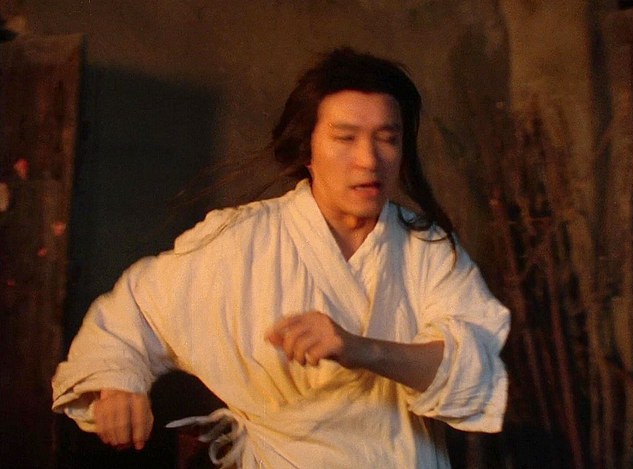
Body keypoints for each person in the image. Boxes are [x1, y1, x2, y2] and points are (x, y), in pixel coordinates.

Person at [52, 47, 509, 468]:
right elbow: (135, 312)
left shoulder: (428, 250)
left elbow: (474, 369)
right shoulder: (241, 242)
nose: (369, 160)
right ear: (306, 148)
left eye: (387, 138)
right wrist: (119, 382)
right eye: (345, 138)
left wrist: (358, 348)